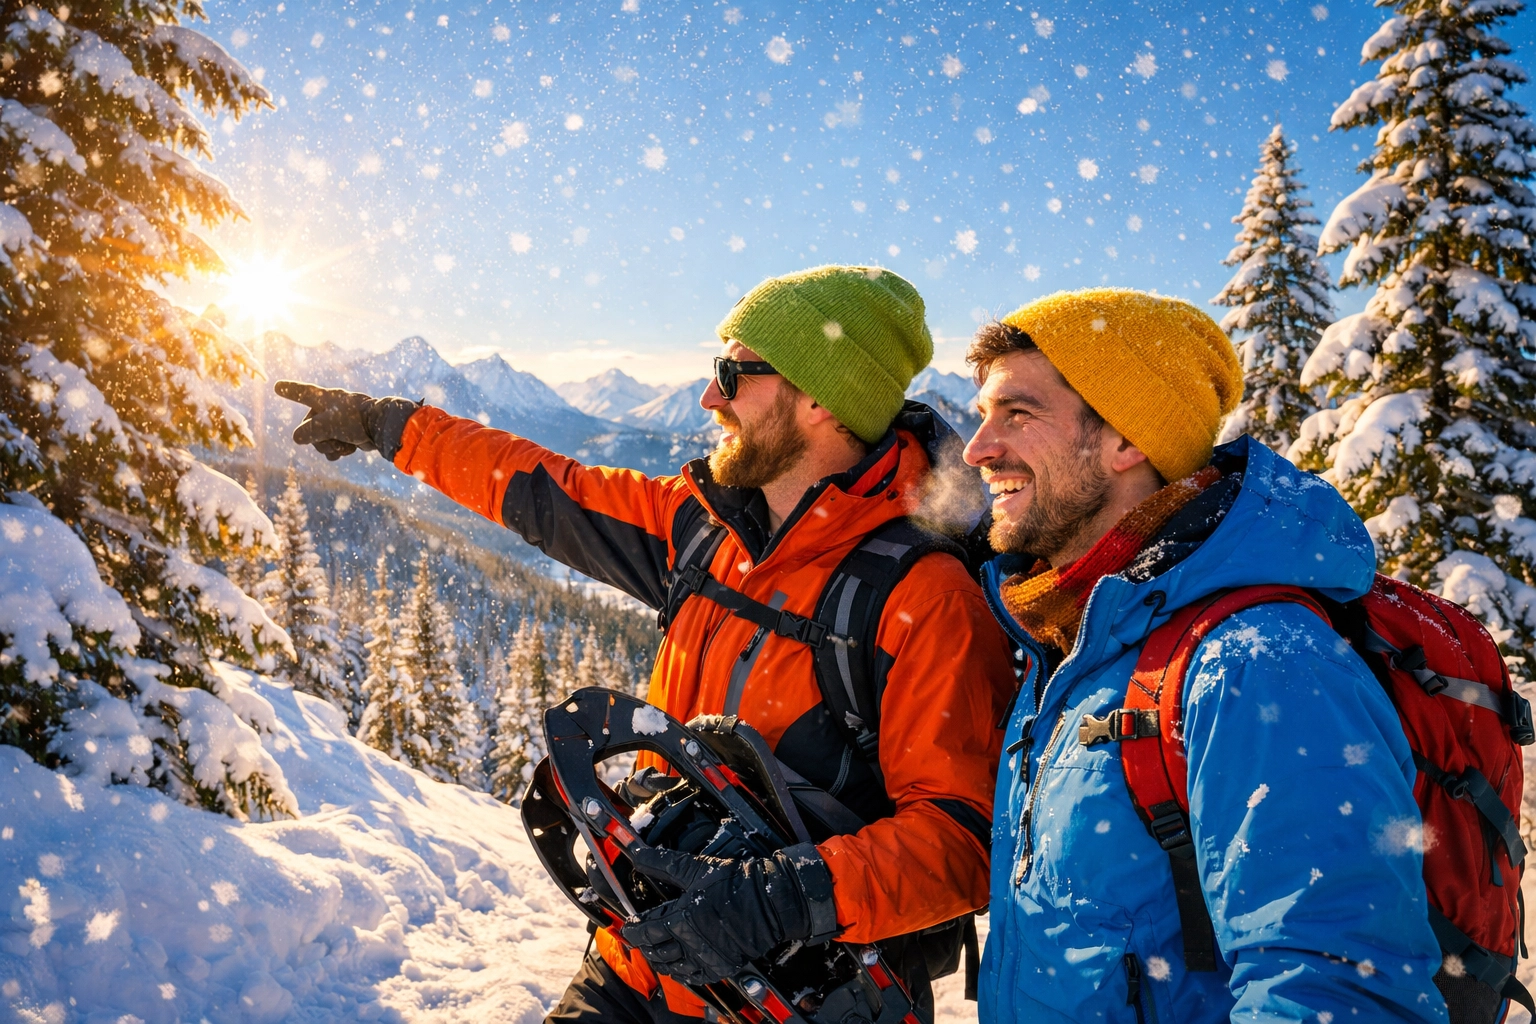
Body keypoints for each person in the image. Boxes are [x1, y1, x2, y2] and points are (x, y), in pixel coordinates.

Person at [275, 265, 1016, 1023]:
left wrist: (787, 897)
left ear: (821, 398)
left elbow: (963, 841)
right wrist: (389, 425)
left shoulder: (923, 596)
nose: (709, 397)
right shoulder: (701, 527)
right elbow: (540, 487)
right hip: (638, 965)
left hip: (799, 1002)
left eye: (733, 372)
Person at [964, 288, 1447, 1023]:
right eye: (982, 416)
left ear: (1127, 441)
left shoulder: (1256, 662)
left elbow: (1335, 992)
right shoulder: (1075, 644)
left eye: (1018, 414)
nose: (978, 449)